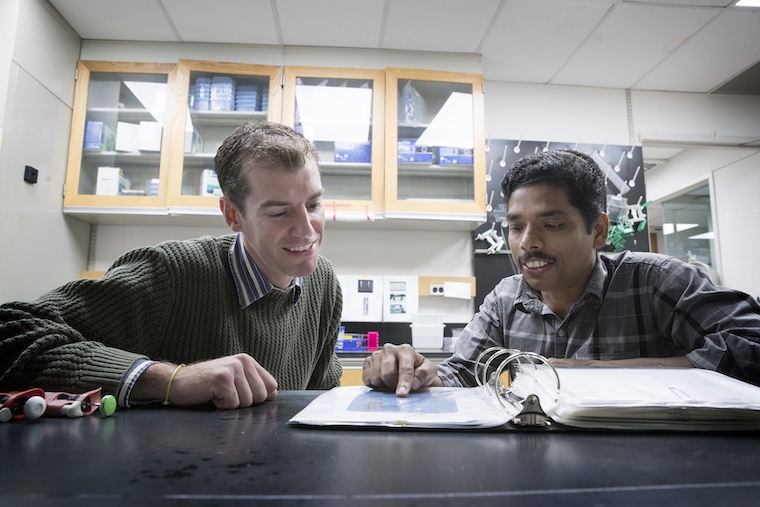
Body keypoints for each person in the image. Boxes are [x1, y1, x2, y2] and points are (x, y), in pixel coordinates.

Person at [0, 121, 342, 409]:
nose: (307, 228)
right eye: (280, 212)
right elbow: (10, 334)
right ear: (233, 215)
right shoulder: (170, 274)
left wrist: (382, 385)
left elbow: (320, 396)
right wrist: (171, 380)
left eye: (313, 205)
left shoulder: (323, 282)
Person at [363, 149, 760, 396]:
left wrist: (591, 373)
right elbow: (460, 373)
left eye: (551, 225)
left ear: (598, 230)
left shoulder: (658, 282)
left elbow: (751, 346)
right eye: (516, 227)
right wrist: (414, 372)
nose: (527, 243)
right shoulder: (506, 298)